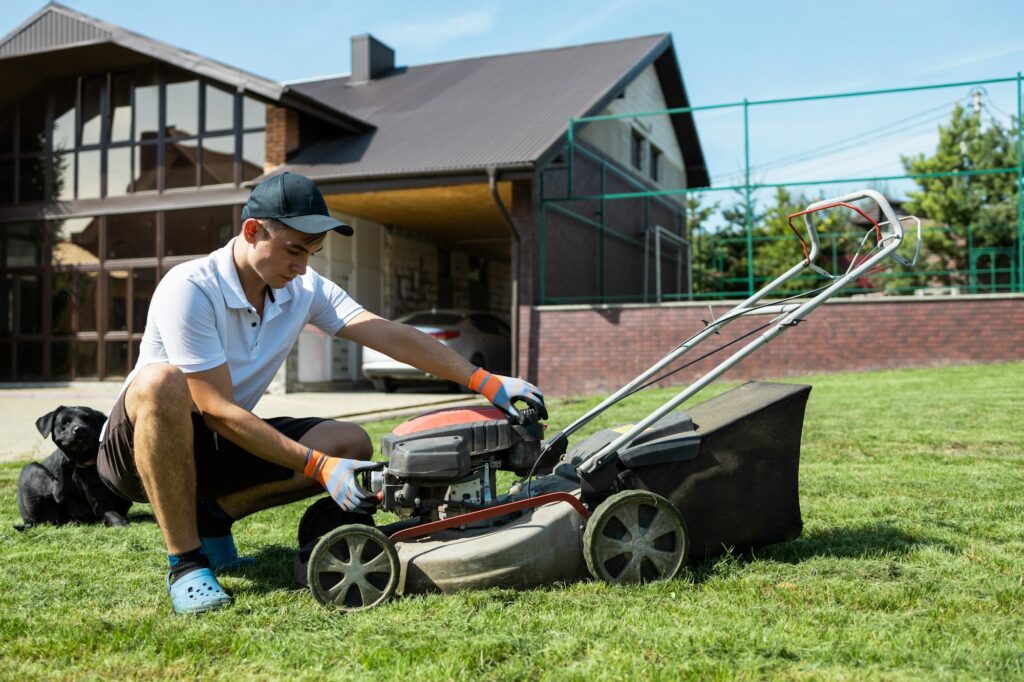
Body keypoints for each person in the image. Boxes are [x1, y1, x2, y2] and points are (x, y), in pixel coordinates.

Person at [96, 172, 546, 615]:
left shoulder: (302, 288)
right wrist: (317, 466)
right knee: (161, 382)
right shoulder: (191, 287)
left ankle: (214, 519)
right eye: (294, 250)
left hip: (215, 447)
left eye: (312, 252)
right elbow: (214, 409)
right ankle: (187, 564)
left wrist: (485, 380)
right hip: (137, 456)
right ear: (252, 231)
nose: (302, 266)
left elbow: (389, 335)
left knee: (349, 443)